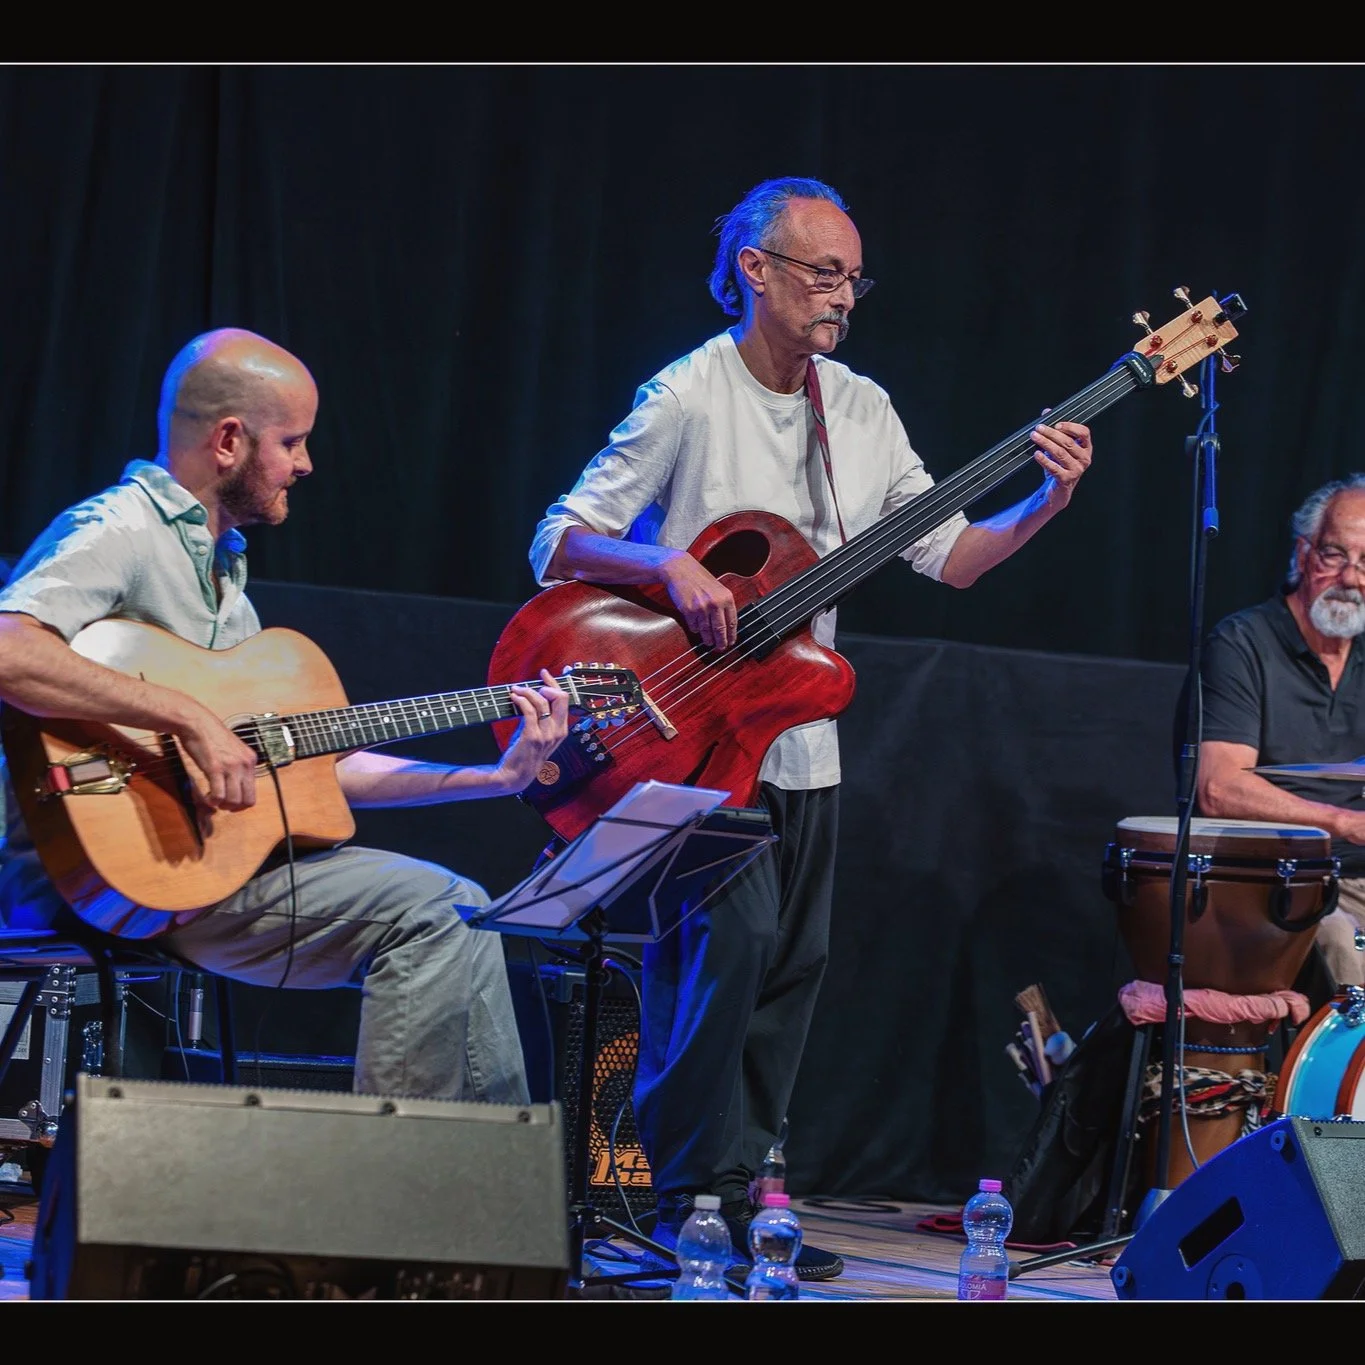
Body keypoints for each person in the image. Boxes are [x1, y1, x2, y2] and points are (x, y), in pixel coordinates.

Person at [526, 176, 1095, 1280]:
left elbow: (952, 558)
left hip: (798, 740)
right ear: (755, 270)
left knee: (795, 966)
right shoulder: (687, 394)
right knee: (726, 952)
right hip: (689, 736)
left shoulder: (863, 410)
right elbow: (559, 536)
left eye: (853, 278)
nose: (844, 295)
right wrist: (668, 560)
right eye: (823, 272)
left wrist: (1044, 505)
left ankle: (735, 1201)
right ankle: (677, 1195)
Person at [0, 327, 571, 1105]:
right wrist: (187, 716)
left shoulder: (223, 568)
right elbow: (9, 649)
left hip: (202, 876)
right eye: (292, 441)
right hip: (99, 872)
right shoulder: (120, 529)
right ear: (229, 440)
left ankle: (461, 1188)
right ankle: (414, 1196)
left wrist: (494, 776)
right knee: (438, 909)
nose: (304, 463)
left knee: (461, 907)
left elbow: (317, 770)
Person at [1197, 473, 1365, 994]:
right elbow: (1218, 789)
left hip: (1357, 878)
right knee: (1341, 941)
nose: (1352, 579)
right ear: (1303, 552)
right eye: (1335, 555)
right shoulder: (1243, 643)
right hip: (1272, 878)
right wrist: (1342, 821)